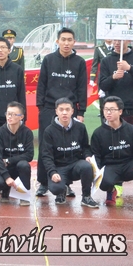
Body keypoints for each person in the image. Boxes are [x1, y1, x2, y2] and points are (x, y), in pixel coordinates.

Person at [35, 27, 87, 197]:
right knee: (45, 146)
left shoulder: (79, 62)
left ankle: (66, 183)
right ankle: (43, 182)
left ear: (74, 42)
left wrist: (81, 111)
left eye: (69, 40)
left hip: (69, 110)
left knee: (69, 146)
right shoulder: (49, 59)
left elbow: (82, 87)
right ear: (57, 41)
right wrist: (41, 107)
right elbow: (41, 84)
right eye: (63, 39)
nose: (66, 43)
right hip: (49, 108)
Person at [91, 96, 133, 208]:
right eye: (106, 109)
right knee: (102, 182)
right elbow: (96, 156)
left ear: (120, 111)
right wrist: (97, 172)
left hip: (129, 166)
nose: (108, 112)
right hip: (110, 167)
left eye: (112, 109)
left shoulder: (132, 130)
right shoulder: (98, 133)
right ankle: (111, 191)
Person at [0, 36, 26, 195]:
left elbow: (21, 95)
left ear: (9, 50)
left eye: (3, 47)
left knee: (15, 151)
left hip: (14, 119)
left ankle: (16, 183)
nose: (0, 50)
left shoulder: (17, 70)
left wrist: (22, 116)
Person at [40, 97, 98, 208]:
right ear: (56, 111)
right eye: (61, 110)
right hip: (59, 168)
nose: (64, 113)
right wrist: (52, 172)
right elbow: (47, 156)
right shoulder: (49, 131)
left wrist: (87, 156)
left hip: (75, 165)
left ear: (72, 111)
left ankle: (86, 197)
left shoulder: (80, 127)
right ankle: (62, 190)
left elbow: (85, 147)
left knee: (86, 166)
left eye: (67, 109)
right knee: (56, 188)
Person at [99, 39, 133, 147]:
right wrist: (113, 77)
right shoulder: (106, 60)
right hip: (114, 110)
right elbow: (102, 85)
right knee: (115, 145)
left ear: (128, 40)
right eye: (115, 40)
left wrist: (130, 68)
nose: (117, 43)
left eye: (120, 40)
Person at [0, 101, 33, 206]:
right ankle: (5, 191)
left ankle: (23, 195)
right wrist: (6, 176)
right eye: (8, 114)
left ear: (21, 117)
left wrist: (9, 160)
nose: (9, 117)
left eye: (13, 114)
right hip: (5, 168)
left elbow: (29, 155)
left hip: (18, 167)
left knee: (24, 165)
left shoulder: (27, 132)